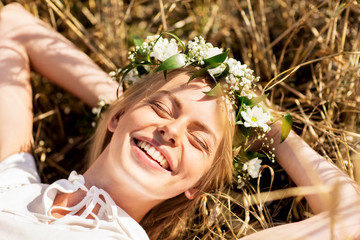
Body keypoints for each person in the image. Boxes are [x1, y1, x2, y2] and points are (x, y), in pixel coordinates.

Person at [0, 3, 359, 240]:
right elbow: (13, 24)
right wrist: (125, 104)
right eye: (162, 110)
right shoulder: (11, 179)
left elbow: (352, 218)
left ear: (197, 187)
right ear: (118, 116)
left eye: (199, 140)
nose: (171, 131)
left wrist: (275, 131)